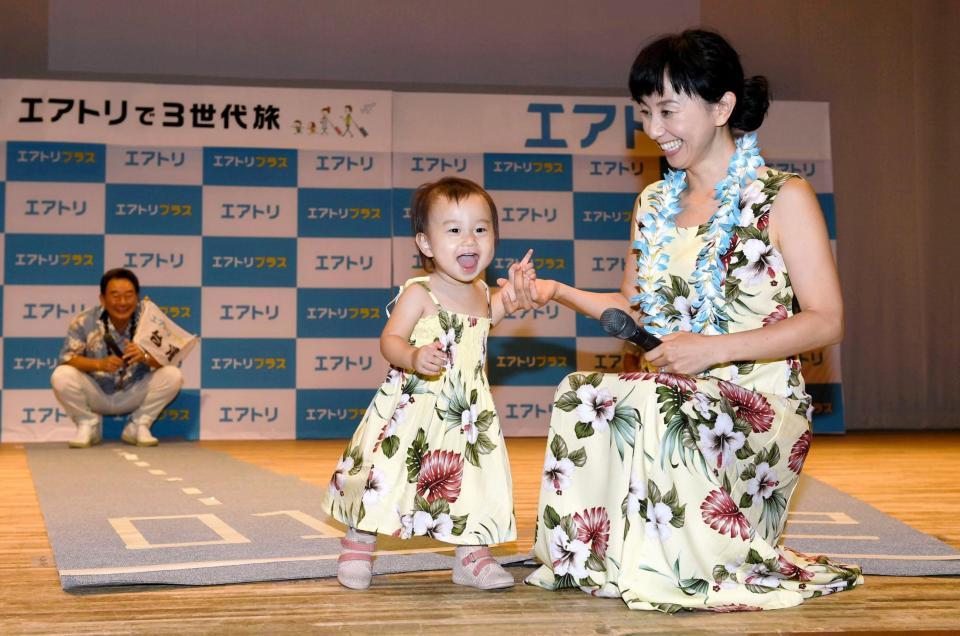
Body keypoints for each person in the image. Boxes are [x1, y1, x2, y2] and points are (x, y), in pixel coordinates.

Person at [514, 30, 863, 612]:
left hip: (759, 403)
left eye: (668, 111)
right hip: (679, 390)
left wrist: (713, 349)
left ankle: (687, 562)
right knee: (582, 394)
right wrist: (556, 291)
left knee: (653, 403)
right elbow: (633, 312)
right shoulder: (652, 203)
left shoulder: (783, 197)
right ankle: (598, 558)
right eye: (645, 113)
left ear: (723, 107)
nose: (654, 130)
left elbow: (828, 321)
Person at [322, 177, 530, 591]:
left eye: (480, 229)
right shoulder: (419, 292)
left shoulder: (484, 294)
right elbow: (389, 340)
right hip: (413, 407)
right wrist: (414, 357)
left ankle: (472, 555)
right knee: (384, 473)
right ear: (427, 244)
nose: (469, 239)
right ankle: (359, 544)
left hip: (467, 414)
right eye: (453, 230)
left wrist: (519, 291)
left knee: (474, 477)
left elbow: (491, 320)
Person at [51, 268, 184, 448]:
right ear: (102, 299)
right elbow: (67, 358)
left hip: (134, 391)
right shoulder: (84, 321)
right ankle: (88, 423)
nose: (122, 302)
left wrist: (145, 357)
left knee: (173, 375)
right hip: (96, 391)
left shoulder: (150, 322)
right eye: (115, 295)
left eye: (129, 295)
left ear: (137, 297)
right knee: (61, 375)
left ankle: (138, 425)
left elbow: (170, 360)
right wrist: (99, 364)